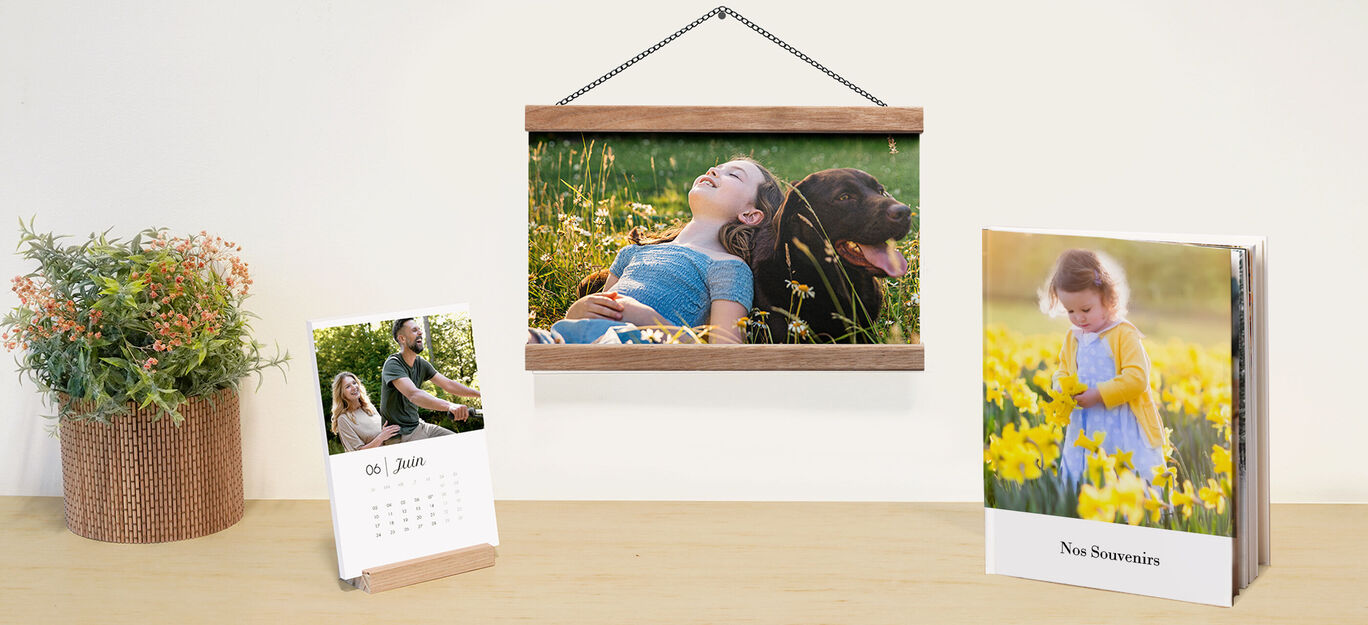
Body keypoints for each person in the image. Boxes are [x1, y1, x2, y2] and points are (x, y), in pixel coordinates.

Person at [530, 156, 784, 344]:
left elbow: (725, 350)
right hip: (564, 341)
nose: (714, 170)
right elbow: (595, 311)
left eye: (734, 175)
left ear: (750, 215)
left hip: (630, 351)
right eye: (718, 167)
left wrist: (649, 321)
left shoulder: (727, 266)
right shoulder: (633, 253)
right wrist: (577, 310)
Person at [1040, 249, 1165, 484]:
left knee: (1123, 479)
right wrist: (1060, 386)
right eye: (1070, 311)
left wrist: (1098, 395)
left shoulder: (1123, 334)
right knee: (1086, 481)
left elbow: (1137, 379)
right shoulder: (1073, 337)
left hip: (1123, 426)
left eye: (1085, 309)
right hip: (1084, 425)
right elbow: (1063, 370)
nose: (1078, 317)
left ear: (1108, 299)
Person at [379, 317, 481, 443]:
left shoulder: (420, 363)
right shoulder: (393, 364)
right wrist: (450, 406)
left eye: (419, 329)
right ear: (402, 339)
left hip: (419, 426)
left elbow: (448, 384)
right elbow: (414, 394)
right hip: (400, 435)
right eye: (414, 330)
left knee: (461, 443)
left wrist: (481, 395)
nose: (420, 332)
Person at [330, 371, 400, 452]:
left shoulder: (369, 407)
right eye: (348, 386)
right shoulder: (343, 419)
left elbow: (383, 431)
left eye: (354, 383)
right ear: (341, 394)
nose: (354, 387)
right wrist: (381, 437)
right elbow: (356, 453)